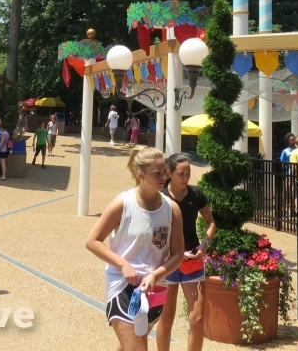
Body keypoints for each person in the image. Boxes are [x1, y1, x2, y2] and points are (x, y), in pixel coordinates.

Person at [86, 147, 185, 350]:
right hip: (122, 287)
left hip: (155, 289)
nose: (163, 177)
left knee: (129, 345)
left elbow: (177, 254)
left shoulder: (171, 208)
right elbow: (93, 241)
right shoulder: (123, 204)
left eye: (164, 171)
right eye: (156, 173)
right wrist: (123, 264)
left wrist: (156, 276)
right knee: (137, 346)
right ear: (141, 175)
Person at [158, 153, 216, 351]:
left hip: (192, 258)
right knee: (166, 318)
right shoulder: (161, 198)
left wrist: (204, 244)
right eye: (181, 174)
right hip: (167, 262)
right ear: (169, 173)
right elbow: (152, 229)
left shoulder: (196, 194)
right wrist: (166, 252)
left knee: (198, 318)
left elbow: (211, 222)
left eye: (188, 173)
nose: (186, 178)